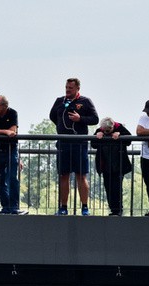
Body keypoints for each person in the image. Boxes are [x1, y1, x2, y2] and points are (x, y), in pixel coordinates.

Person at [49, 77, 98, 216]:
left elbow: (95, 119)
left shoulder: (85, 101)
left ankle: (85, 207)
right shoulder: (59, 101)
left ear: (77, 88)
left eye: (70, 88)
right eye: (66, 87)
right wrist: (62, 125)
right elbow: (52, 116)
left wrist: (80, 119)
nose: (67, 90)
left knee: (81, 175)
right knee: (63, 175)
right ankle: (63, 207)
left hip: (79, 144)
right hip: (63, 144)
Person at [0, 95, 22, 215]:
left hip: (11, 149)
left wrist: (7, 132)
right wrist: (5, 132)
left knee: (12, 177)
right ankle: (6, 206)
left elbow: (13, 130)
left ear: (5, 106)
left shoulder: (13, 113)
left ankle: (14, 206)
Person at [91, 117, 132, 216]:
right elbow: (93, 144)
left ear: (113, 127)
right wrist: (97, 135)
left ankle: (118, 209)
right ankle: (113, 209)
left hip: (119, 165)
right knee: (108, 187)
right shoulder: (100, 130)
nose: (106, 132)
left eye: (108, 131)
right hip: (105, 165)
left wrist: (120, 135)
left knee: (117, 187)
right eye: (104, 130)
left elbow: (129, 141)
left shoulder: (120, 128)